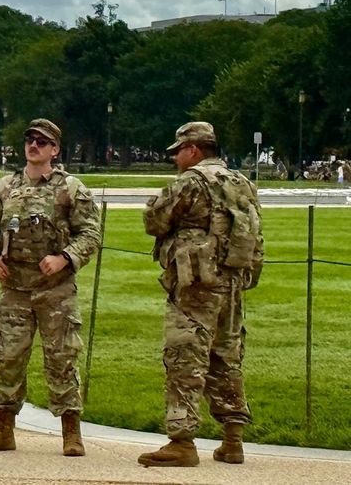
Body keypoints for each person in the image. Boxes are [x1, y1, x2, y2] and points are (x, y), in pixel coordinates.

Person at [137, 122, 264, 468]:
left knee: (184, 357)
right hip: (232, 283)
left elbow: (155, 220)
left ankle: (182, 440)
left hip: (196, 285)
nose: (175, 158)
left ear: (193, 150)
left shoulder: (191, 182)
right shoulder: (243, 183)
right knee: (227, 357)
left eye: (178, 151)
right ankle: (232, 439)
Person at [0, 118, 101, 457]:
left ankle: (71, 432)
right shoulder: (4, 187)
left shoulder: (70, 189)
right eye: (30, 140)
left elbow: (90, 234)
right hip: (14, 288)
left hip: (55, 290)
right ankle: (3, 429)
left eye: (42, 142)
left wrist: (65, 258)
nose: (34, 146)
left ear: (55, 150)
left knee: (62, 358)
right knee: (9, 358)